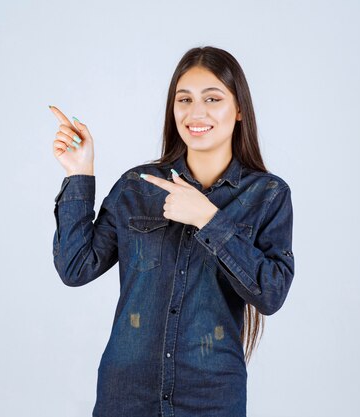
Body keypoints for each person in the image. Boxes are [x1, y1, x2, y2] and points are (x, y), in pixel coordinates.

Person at [49, 45, 295, 417]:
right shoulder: (137, 187)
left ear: (239, 108)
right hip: (126, 396)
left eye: (212, 99)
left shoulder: (268, 195)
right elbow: (75, 267)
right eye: (185, 99)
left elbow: (271, 294)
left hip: (212, 399)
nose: (197, 113)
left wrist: (208, 219)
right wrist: (79, 173)